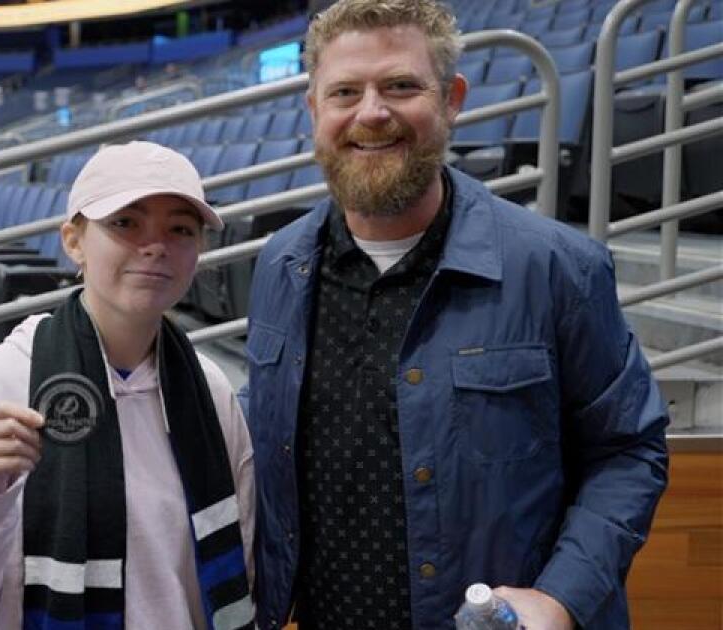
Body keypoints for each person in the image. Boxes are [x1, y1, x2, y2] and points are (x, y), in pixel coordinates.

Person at [243, 1, 670, 629]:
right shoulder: (281, 266)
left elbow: (629, 451)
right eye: (344, 92)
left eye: (401, 86)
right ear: (314, 110)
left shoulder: (559, 267)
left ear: (452, 99)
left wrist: (559, 601)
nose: (371, 113)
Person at [0, 141, 256, 629]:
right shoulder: (4, 380)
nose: (155, 245)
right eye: (124, 223)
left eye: (180, 229)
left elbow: (241, 567)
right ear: (73, 241)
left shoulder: (211, 390)